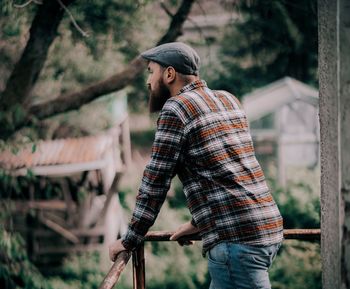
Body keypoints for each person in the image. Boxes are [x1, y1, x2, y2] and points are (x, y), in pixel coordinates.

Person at [109, 42, 283, 289]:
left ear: (169, 74)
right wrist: (198, 223)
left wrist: (129, 240)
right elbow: (228, 171)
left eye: (151, 71)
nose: (148, 82)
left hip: (237, 242)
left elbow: (155, 183)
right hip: (266, 226)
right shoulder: (228, 100)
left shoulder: (176, 109)